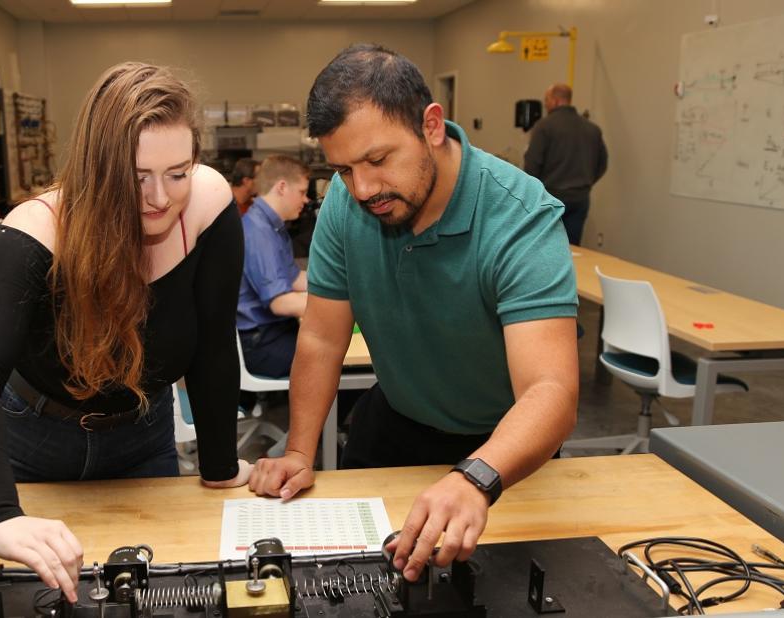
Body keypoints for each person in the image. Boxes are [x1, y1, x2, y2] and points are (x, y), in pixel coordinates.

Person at [248, 45, 579, 584]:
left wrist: (474, 477)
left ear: (431, 126)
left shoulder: (519, 218)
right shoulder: (346, 203)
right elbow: (322, 342)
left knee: (502, 589)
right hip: (395, 422)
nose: (363, 189)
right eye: (343, 170)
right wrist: (299, 451)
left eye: (378, 161)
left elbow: (551, 391)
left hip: (502, 448)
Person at [0, 62, 250, 602]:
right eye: (137, 177)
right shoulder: (39, 227)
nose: (160, 197)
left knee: (154, 592)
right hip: (33, 440)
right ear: (97, 167)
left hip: (142, 431)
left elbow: (213, 339)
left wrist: (220, 464)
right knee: (35, 596)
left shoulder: (208, 203)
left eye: (178, 173)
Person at [237, 154, 310, 379]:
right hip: (261, 343)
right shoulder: (258, 232)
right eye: (302, 192)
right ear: (281, 187)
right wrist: (339, 305)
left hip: (272, 333)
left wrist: (344, 286)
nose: (306, 200)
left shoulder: (271, 227)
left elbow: (295, 278)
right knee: (331, 355)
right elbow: (281, 303)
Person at [523, 83, 608, 245]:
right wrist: (586, 182)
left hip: (550, 198)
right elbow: (602, 164)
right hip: (580, 198)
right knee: (573, 249)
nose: (545, 104)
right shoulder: (592, 129)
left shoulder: (544, 127)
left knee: (547, 248)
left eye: (546, 100)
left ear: (555, 101)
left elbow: (532, 166)